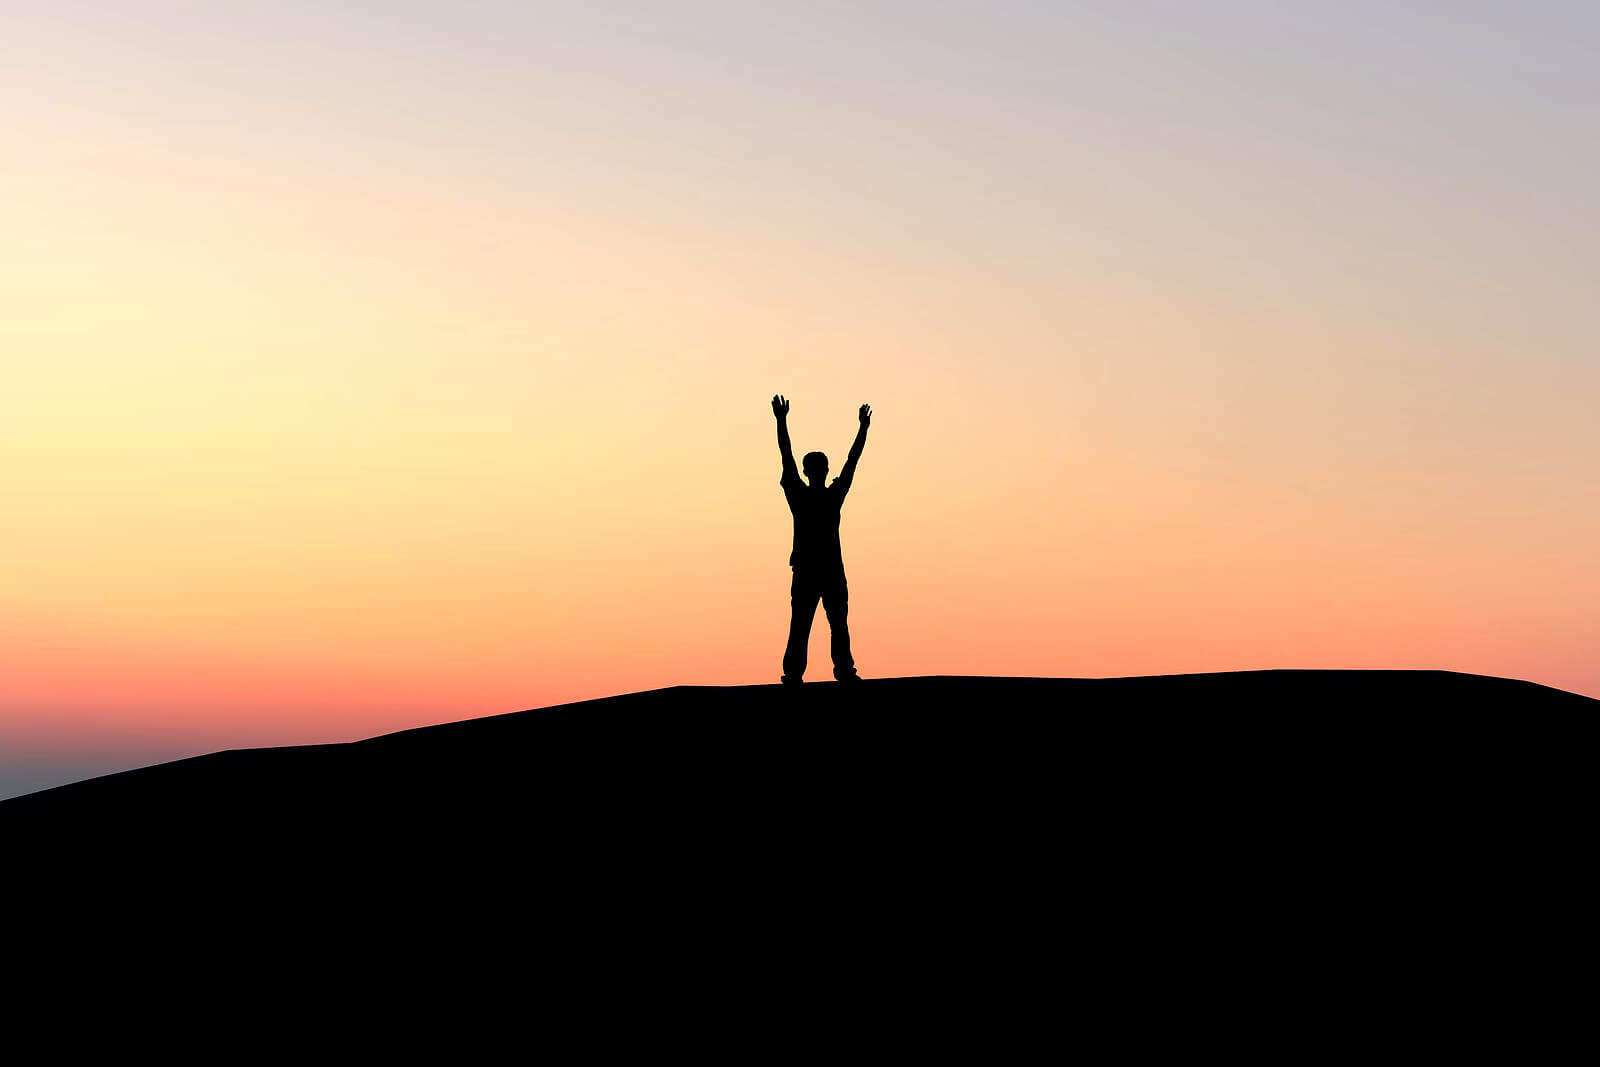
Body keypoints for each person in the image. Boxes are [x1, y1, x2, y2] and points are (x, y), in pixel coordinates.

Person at [772, 395, 871, 685]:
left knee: (809, 624)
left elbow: (786, 456)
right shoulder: (827, 496)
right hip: (821, 571)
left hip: (815, 571)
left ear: (808, 472)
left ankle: (801, 673)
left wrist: (781, 421)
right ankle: (837, 671)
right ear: (824, 470)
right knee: (829, 624)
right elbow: (851, 462)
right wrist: (862, 429)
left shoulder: (805, 496)